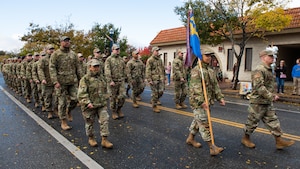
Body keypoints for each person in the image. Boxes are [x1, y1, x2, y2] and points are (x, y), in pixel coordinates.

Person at [241, 49, 295, 150]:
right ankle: (245, 138)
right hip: (258, 102)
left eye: (273, 56)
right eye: (270, 56)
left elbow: (268, 86)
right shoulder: (259, 70)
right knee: (252, 122)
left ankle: (279, 141)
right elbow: (259, 87)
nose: (272, 58)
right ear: (263, 57)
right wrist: (271, 96)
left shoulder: (269, 69)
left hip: (266, 101)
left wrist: (271, 95)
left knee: (273, 121)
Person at [186, 50, 225, 156]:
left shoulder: (210, 70)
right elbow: (195, 88)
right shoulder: (196, 71)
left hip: (208, 101)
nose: (209, 58)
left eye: (210, 56)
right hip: (198, 103)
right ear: (200, 56)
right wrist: (201, 101)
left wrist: (220, 98)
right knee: (204, 123)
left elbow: (215, 86)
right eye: (206, 55)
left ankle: (190, 138)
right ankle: (212, 147)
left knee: (197, 121)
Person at [49, 36, 83, 130]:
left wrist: (82, 79)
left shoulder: (73, 54)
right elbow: (52, 68)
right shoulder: (56, 54)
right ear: (61, 42)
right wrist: (55, 81)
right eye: (65, 41)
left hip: (72, 81)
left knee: (75, 99)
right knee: (62, 102)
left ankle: (69, 111)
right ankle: (63, 121)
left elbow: (78, 67)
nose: (67, 42)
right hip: (61, 82)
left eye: (68, 41)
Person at [77, 59, 113, 148]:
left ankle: (104, 139)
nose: (97, 68)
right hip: (90, 106)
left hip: (101, 104)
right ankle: (91, 138)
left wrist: (106, 98)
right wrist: (87, 102)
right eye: (94, 66)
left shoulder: (101, 78)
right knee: (90, 123)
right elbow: (81, 94)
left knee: (104, 120)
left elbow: (105, 89)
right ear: (90, 67)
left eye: (98, 66)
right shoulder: (85, 79)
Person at [104, 44, 126, 120]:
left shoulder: (121, 60)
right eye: (116, 49)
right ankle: (114, 111)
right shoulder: (109, 60)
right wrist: (110, 80)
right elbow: (107, 71)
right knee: (112, 98)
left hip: (120, 81)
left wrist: (124, 78)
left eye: (118, 49)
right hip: (112, 82)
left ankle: (119, 109)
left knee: (122, 96)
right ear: (112, 50)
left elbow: (124, 69)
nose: (117, 51)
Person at [38, 44, 57, 119]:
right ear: (46, 50)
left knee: (58, 97)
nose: (51, 50)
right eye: (50, 49)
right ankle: (49, 111)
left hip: (56, 81)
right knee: (48, 97)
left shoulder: (56, 59)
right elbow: (40, 70)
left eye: (52, 49)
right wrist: (42, 79)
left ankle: (56, 109)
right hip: (47, 81)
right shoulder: (43, 60)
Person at [146, 46, 165, 113]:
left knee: (161, 91)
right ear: (153, 51)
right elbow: (148, 70)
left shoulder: (160, 60)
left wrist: (164, 77)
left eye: (158, 51)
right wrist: (149, 79)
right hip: (153, 80)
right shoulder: (150, 60)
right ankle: (154, 106)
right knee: (155, 93)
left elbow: (162, 69)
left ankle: (153, 100)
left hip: (160, 79)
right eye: (156, 51)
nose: (158, 52)